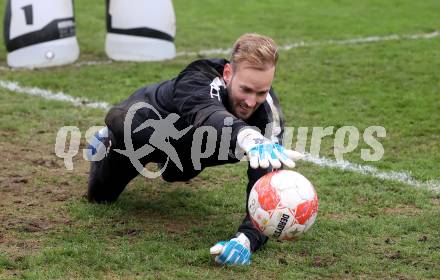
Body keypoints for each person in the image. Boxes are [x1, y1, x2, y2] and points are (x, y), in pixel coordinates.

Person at [87, 33, 303, 265]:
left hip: (192, 145)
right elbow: (209, 114)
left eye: (261, 92)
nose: (251, 102)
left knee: (176, 173)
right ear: (228, 74)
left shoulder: (269, 117)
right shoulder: (197, 76)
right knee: (101, 196)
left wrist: (248, 239)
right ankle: (107, 142)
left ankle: (171, 165)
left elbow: (266, 189)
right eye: (246, 90)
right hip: (143, 127)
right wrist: (247, 135)